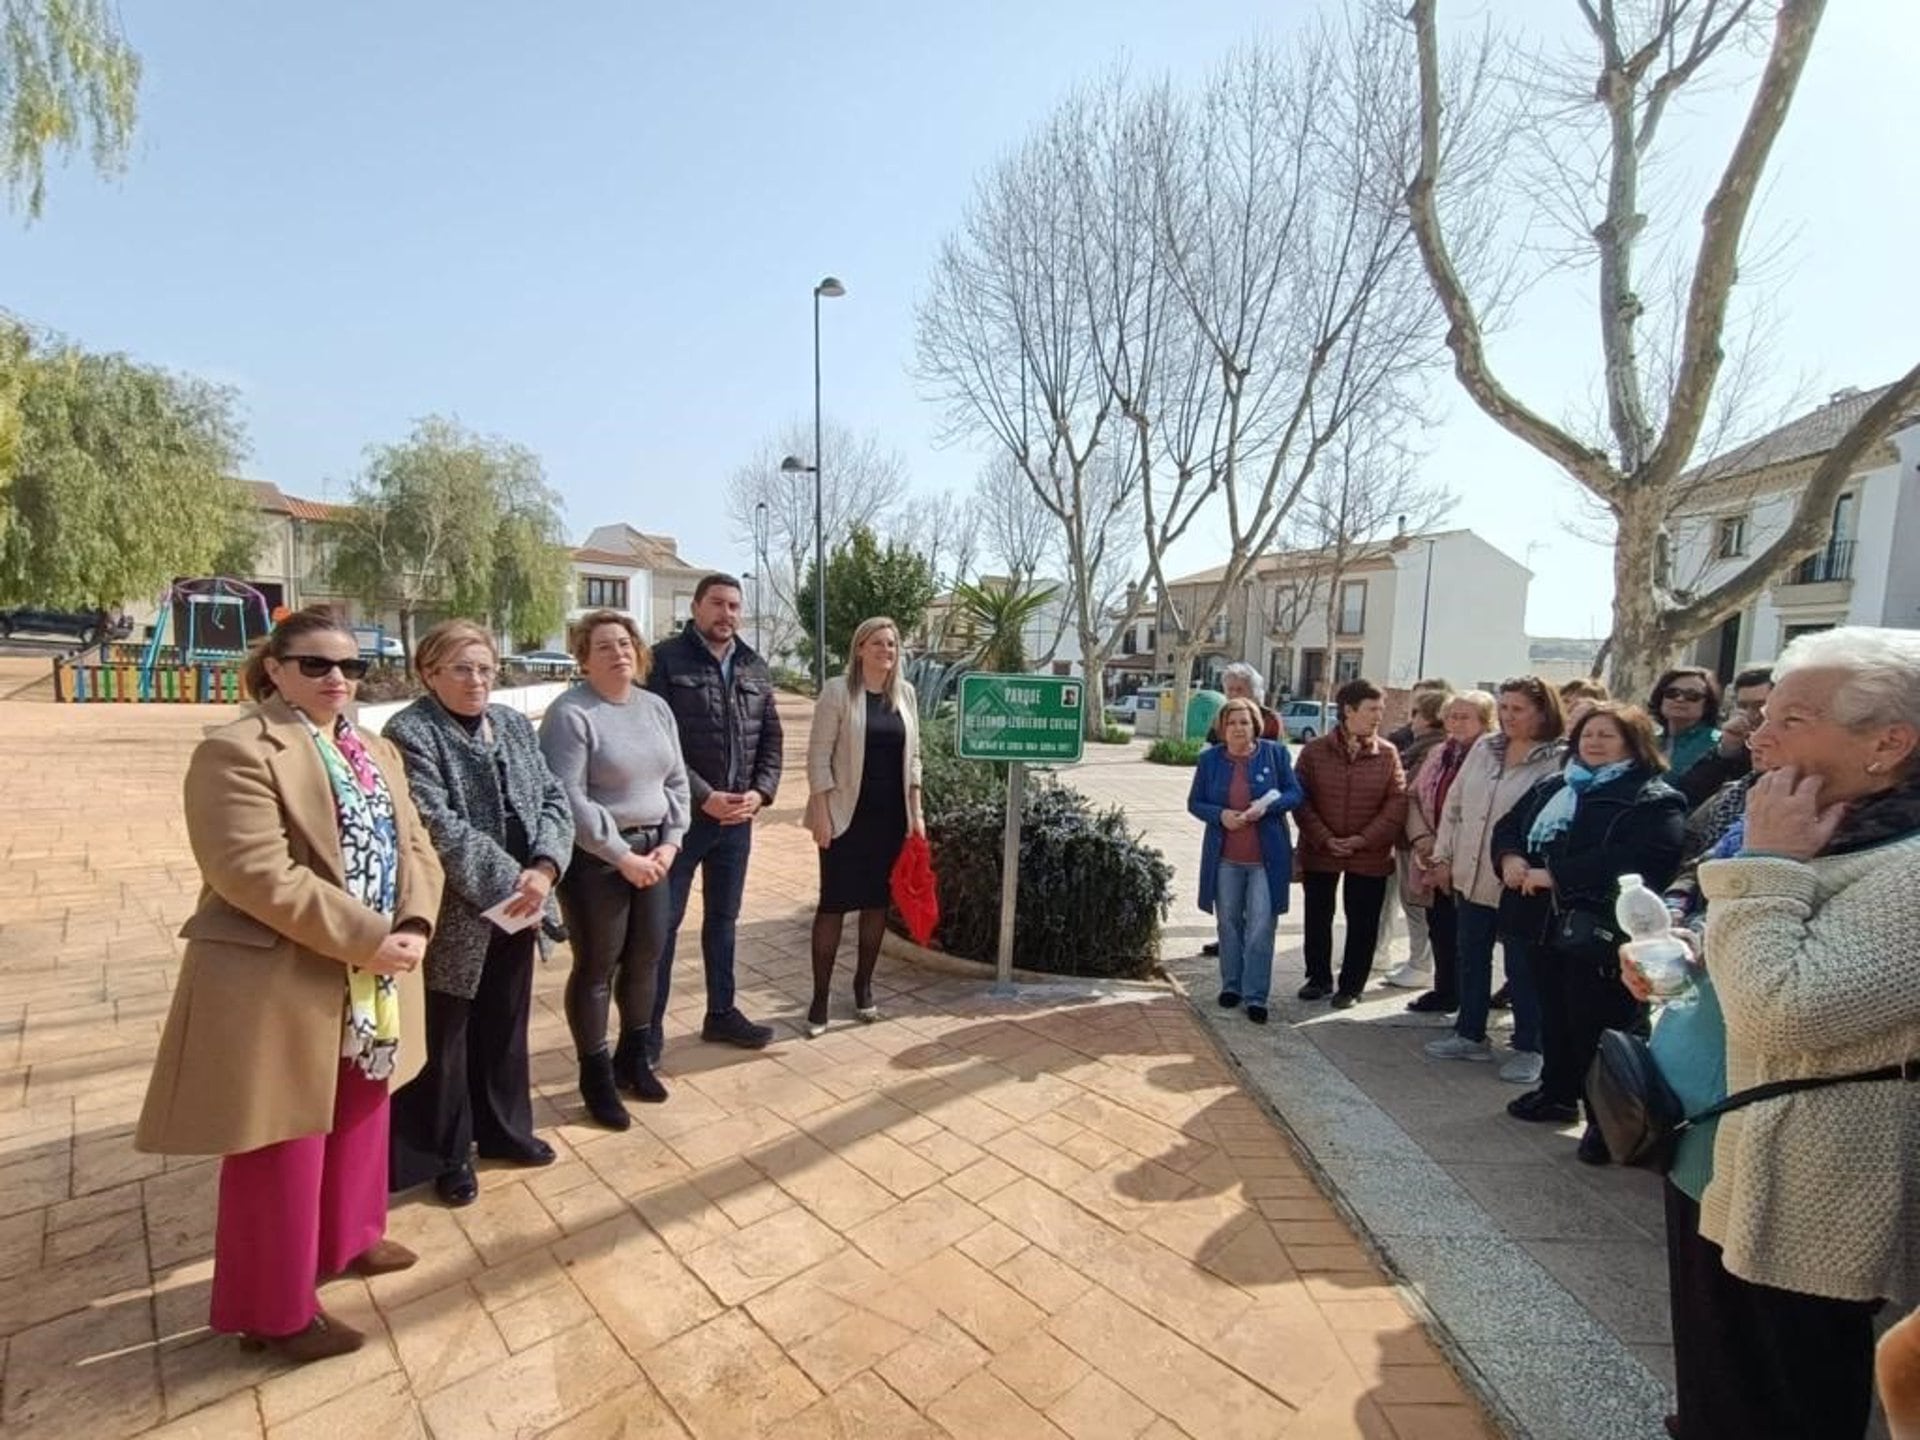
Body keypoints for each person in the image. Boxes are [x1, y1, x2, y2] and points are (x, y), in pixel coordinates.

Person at [134, 608, 444, 1363]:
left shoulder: (372, 749)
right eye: (317, 665)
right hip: (282, 973)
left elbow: (416, 845)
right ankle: (271, 1313)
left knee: (362, 1104)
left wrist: (414, 924)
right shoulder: (236, 751)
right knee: (283, 1141)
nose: (339, 679)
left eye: (353, 667)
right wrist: (371, 937)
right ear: (274, 669)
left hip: (376, 967)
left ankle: (349, 1238)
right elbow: (251, 872)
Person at [1656, 626, 1920, 1438]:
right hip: (1722, 1154)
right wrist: (1684, 966)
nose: (1758, 736)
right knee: (1717, 1386)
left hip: (1809, 1193)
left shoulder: (1904, 866)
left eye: (1792, 719)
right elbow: (1747, 956)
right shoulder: (1823, 823)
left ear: (1889, 743)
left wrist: (1767, 865)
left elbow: (1788, 1006)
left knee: (1778, 1398)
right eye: (1764, 714)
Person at [383, 620, 573, 1208]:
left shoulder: (513, 724)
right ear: (429, 671)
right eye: (462, 669)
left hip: (523, 903)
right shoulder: (411, 731)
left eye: (486, 669)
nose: (476, 681)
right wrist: (512, 883)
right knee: (449, 1040)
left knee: (505, 1028)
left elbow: (552, 797)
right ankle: (448, 1155)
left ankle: (505, 1132)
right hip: (461, 910)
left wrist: (544, 868)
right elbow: (435, 824)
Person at [1491, 703, 1685, 1158]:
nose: (1594, 743)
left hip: (1598, 933)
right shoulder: (1556, 784)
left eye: (1607, 736)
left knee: (1597, 1025)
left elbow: (1646, 856)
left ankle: (1607, 1121)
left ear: (1634, 744)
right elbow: (1509, 826)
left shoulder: (1652, 796)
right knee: (1552, 1016)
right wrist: (1511, 859)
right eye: (1587, 734)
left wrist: (1557, 874)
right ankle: (1557, 1093)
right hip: (1541, 923)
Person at [538, 610, 689, 1129]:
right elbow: (567, 795)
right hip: (599, 861)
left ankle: (634, 1057)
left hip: (655, 852)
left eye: (625, 643)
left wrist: (671, 843)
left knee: (646, 959)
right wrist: (620, 856)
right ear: (583, 659)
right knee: (597, 967)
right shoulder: (572, 714)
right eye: (603, 646)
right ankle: (595, 1076)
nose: (618, 653)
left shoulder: (656, 709)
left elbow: (676, 781)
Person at [645, 573, 784, 1059]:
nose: (727, 614)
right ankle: (648, 1030)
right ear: (697, 607)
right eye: (718, 604)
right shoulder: (664, 660)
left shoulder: (753, 665)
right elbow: (656, 741)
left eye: (735, 606)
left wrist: (760, 794)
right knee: (663, 926)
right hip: (683, 820)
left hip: (737, 822)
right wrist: (703, 795)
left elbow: (771, 739)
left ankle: (721, 1013)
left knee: (724, 921)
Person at [1423, 676, 1566, 1081]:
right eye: (1503, 708)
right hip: (1471, 873)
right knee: (1471, 956)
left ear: (1543, 711)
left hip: (1520, 881)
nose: (1507, 717)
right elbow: (1455, 804)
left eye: (1517, 709)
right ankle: (1469, 1034)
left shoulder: (1558, 759)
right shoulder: (1485, 748)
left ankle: (1528, 1046)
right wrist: (1443, 857)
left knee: (1523, 964)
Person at [805, 616, 924, 1036]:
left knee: (876, 905)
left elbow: (914, 761)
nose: (885, 652)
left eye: (891, 645)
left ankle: (863, 987)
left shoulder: (905, 695)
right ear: (859, 649)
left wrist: (917, 812)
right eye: (877, 644)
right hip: (842, 815)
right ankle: (819, 999)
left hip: (890, 818)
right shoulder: (839, 692)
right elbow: (818, 757)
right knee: (833, 905)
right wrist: (819, 812)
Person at [1187, 697, 1304, 1025]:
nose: (1238, 728)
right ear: (1222, 729)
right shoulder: (1210, 760)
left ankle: (1256, 995)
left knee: (1261, 926)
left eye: (1244, 722)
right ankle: (1231, 985)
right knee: (1228, 923)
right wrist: (1221, 815)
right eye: (1231, 723)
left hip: (1266, 859)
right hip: (1225, 857)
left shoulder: (1275, 754)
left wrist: (1268, 806)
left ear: (1256, 725)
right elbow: (1195, 803)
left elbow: (1296, 794)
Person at [1293, 678, 1409, 1007]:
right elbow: (1300, 800)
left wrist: (1362, 839)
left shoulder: (1388, 754)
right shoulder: (1314, 751)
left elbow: (1397, 802)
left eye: (1380, 710)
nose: (1378, 717)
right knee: (1318, 916)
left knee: (1363, 921)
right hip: (1321, 849)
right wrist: (1324, 837)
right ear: (1348, 710)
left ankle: (1351, 987)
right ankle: (1317, 978)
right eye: (1372, 709)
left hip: (1369, 855)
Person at [1401, 689, 1494, 1014]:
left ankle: (1470, 1003)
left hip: (1469, 857)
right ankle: (1445, 990)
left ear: (1484, 721)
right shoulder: (1440, 752)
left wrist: (1447, 852)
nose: (1456, 722)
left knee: (1467, 934)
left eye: (1465, 716)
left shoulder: (1492, 756)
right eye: (1452, 716)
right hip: (1430, 852)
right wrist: (1422, 838)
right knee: (1439, 924)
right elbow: (1413, 795)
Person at [1380, 689, 1453, 991]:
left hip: (1419, 840)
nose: (1412, 721)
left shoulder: (1431, 750)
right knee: (1411, 901)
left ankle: (1421, 963)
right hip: (1408, 836)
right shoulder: (1421, 747)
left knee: (1418, 903)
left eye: (1417, 713)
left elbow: (1413, 790)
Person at [1672, 663, 1773, 807]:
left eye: (1760, 705)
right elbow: (1688, 793)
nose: (1751, 715)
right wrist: (1726, 751)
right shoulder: (1737, 743)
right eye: (1743, 706)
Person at [1649, 665, 1722, 780]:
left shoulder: (1717, 741)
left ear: (1708, 704)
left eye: (1692, 695)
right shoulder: (1648, 741)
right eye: (1672, 693)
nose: (1680, 699)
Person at [1204, 662, 1283, 743]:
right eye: (1230, 689)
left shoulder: (1269, 718)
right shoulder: (1221, 717)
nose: (1234, 694)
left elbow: (1272, 750)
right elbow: (1210, 746)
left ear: (1253, 692)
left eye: (1239, 689)